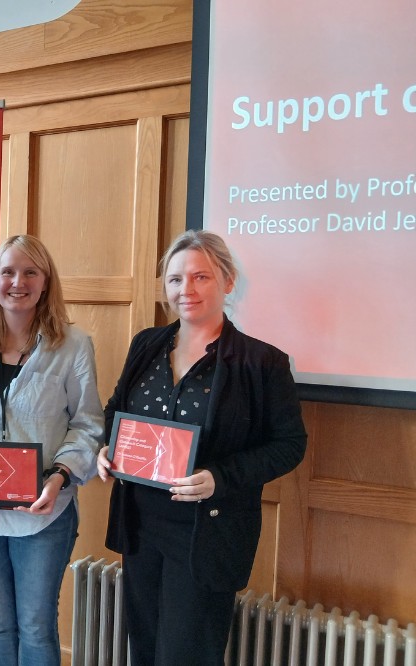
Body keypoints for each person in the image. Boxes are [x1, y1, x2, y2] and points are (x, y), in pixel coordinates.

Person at [96, 229, 307, 666]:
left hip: (205, 533)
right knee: (146, 650)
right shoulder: (147, 344)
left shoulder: (262, 362)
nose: (185, 290)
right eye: (175, 280)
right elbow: (116, 411)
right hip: (141, 524)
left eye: (200, 277)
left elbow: (289, 445)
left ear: (228, 282)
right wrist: (106, 447)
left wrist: (220, 477)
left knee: (187, 655)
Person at [0, 234, 103, 666]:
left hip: (43, 513)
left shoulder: (73, 345)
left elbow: (87, 424)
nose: (18, 282)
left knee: (35, 625)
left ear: (45, 283)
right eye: (7, 271)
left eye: (30, 272)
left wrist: (60, 475)